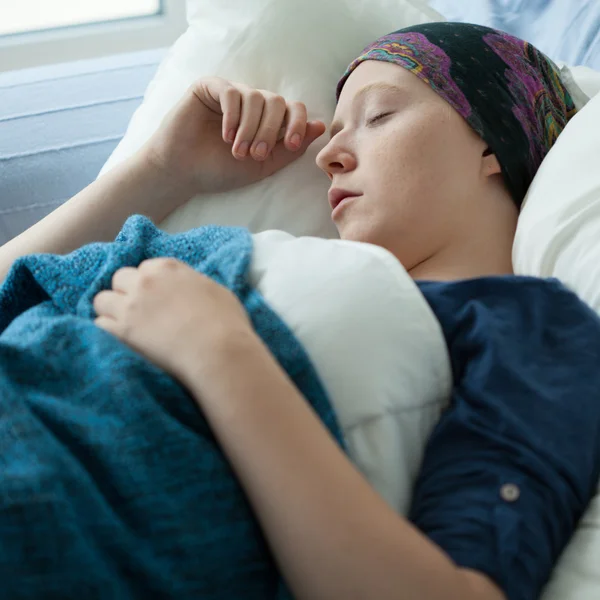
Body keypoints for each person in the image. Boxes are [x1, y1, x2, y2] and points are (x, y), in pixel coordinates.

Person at [1, 21, 600, 600]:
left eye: (379, 116)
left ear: (494, 139)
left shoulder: (534, 327)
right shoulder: (255, 255)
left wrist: (220, 355)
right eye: (334, 130)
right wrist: (162, 171)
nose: (328, 156)